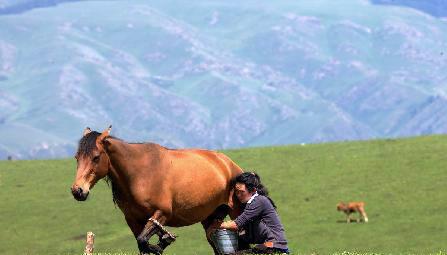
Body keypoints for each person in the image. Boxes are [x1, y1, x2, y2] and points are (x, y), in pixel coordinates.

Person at [208, 172, 289, 254]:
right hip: (266, 246)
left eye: (242, 192)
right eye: (236, 192)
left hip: (274, 246)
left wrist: (216, 225)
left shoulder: (259, 201)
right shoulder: (248, 204)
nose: (238, 195)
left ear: (253, 190)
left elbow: (236, 224)